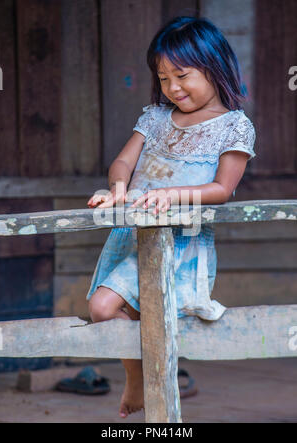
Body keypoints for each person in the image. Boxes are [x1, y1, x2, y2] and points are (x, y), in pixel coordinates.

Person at [86, 16, 256, 419]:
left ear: (215, 67)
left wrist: (171, 195)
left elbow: (223, 190)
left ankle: (146, 384)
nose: (172, 88)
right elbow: (123, 161)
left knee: (106, 307)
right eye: (163, 79)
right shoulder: (156, 118)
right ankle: (140, 379)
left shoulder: (233, 127)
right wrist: (118, 188)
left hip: (180, 243)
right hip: (132, 235)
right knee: (107, 310)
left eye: (182, 75)